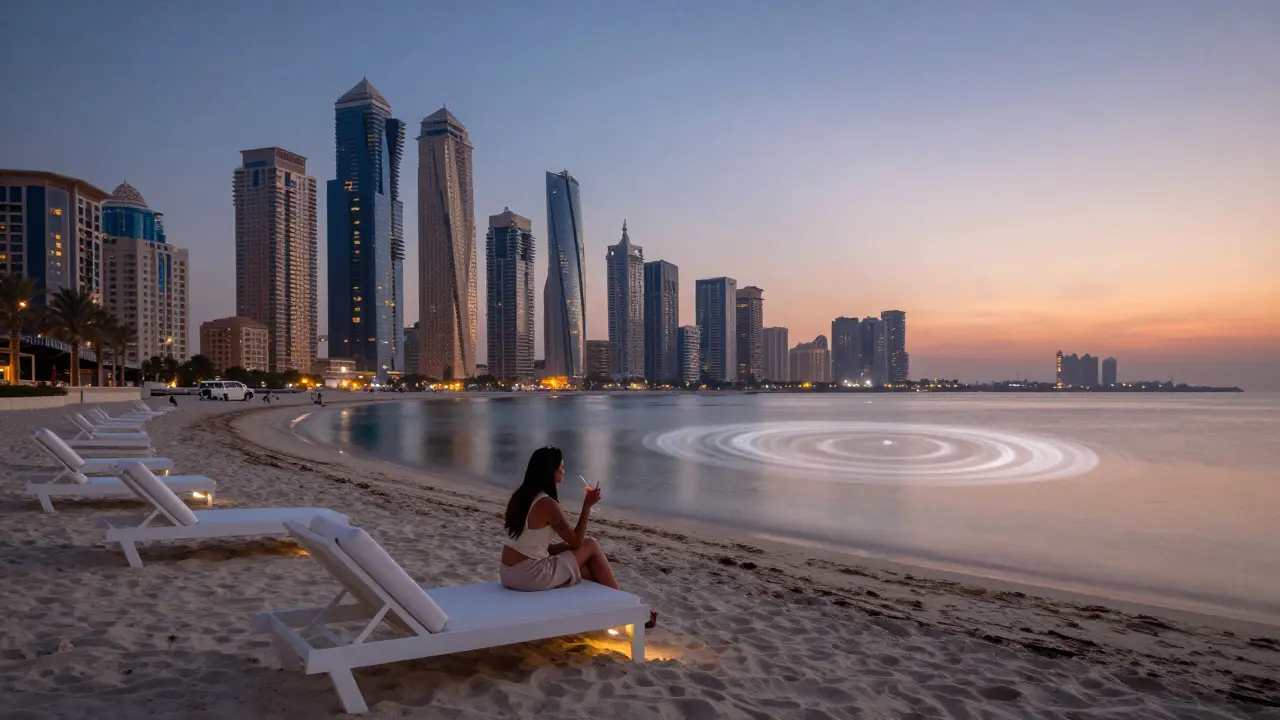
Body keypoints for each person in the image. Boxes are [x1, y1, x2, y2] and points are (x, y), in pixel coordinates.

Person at [500, 447, 657, 629]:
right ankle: (625, 607)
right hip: (528, 576)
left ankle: (619, 608)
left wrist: (564, 548)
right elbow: (577, 541)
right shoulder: (547, 504)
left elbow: (533, 544)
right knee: (590, 544)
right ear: (551, 471)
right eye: (561, 467)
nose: (563, 471)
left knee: (586, 570)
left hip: (508, 573)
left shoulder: (520, 497)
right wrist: (587, 506)